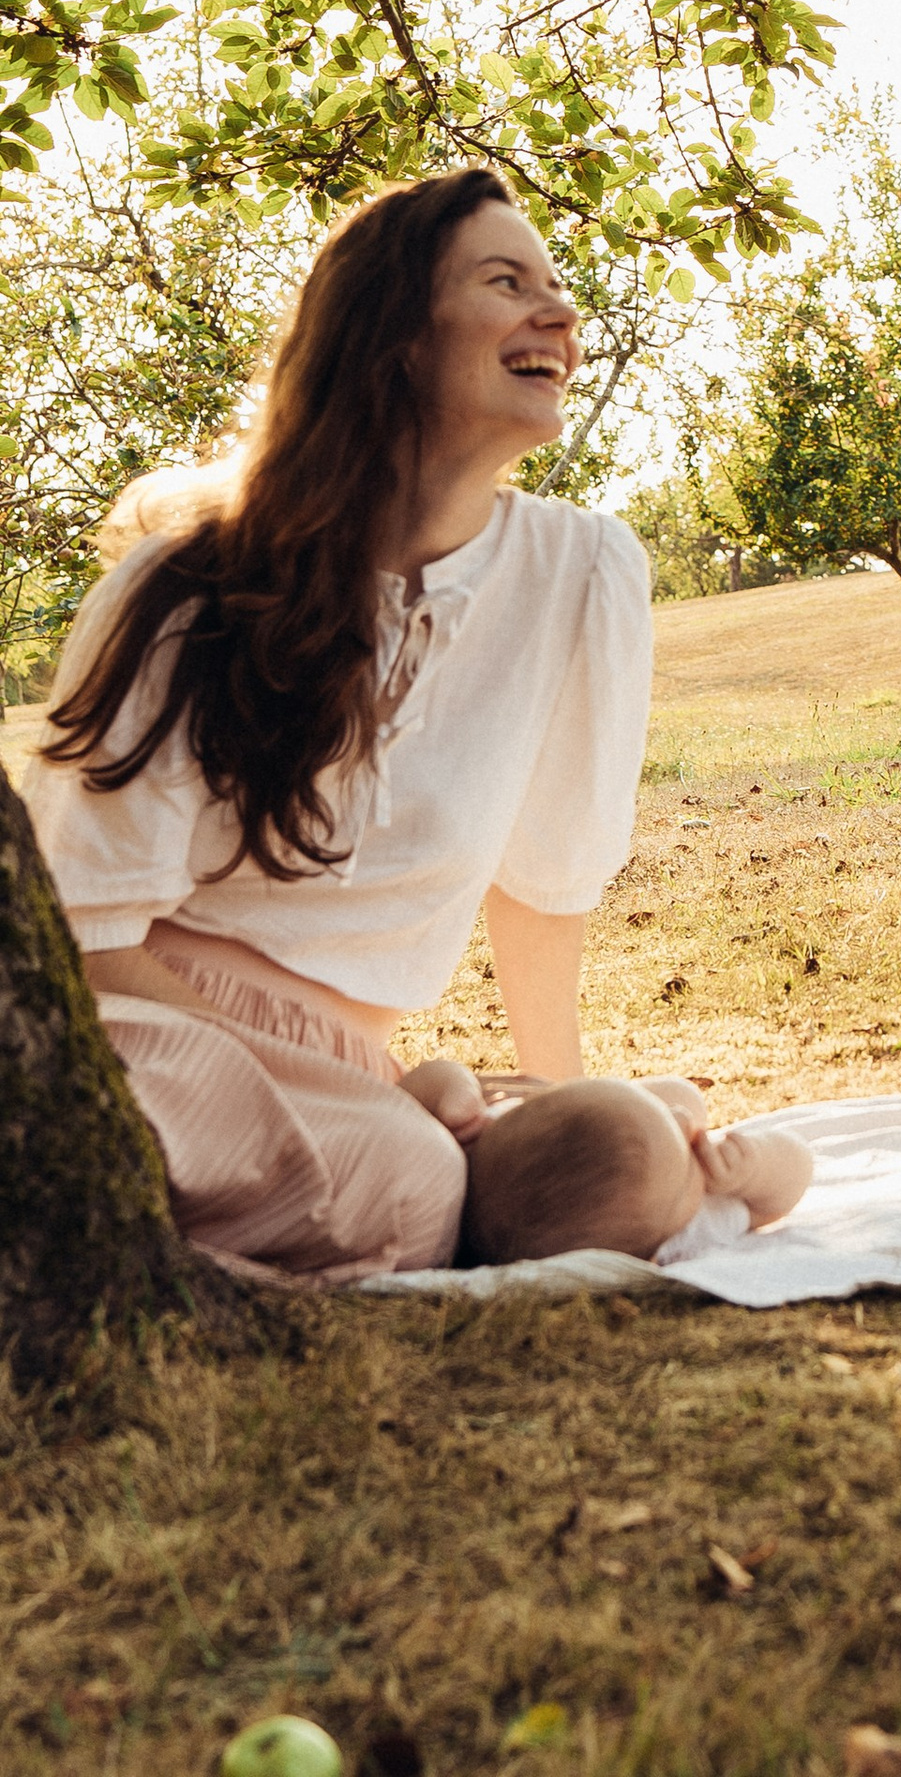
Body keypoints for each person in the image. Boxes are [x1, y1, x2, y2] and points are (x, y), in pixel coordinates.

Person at [25, 168, 654, 1279]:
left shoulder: (582, 574)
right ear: (393, 337)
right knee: (401, 1177)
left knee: (423, 1182)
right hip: (138, 1022)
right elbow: (90, 930)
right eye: (506, 282)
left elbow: (544, 890)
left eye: (557, 287)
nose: (558, 313)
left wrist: (570, 1119)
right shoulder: (188, 587)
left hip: (351, 1077)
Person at [397, 1059, 815, 1266]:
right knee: (681, 1096)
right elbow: (792, 1177)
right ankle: (646, 1115)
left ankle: (641, 1111)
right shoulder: (682, 1230)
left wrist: (453, 1088)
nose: (688, 1127)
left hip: (575, 1124)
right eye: (687, 1169)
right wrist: (753, 1166)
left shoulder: (475, 1146)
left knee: (678, 1097)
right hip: (594, 1134)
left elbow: (408, 1087)